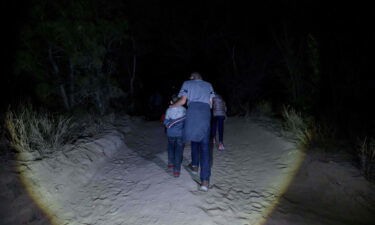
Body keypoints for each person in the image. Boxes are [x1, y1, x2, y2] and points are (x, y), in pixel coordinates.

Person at [170, 72, 215, 191]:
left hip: (193, 111)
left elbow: (183, 101)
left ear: (192, 78)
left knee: (188, 138)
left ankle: (183, 167)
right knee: (204, 146)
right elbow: (211, 104)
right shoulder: (209, 85)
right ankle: (205, 181)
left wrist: (172, 106)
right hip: (205, 113)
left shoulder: (187, 83)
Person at [163, 94, 186, 177]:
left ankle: (170, 163)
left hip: (170, 133)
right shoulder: (184, 110)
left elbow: (166, 121)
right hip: (180, 134)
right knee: (178, 151)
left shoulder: (168, 110)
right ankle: (176, 171)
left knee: (171, 147)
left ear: (171, 102)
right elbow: (186, 123)